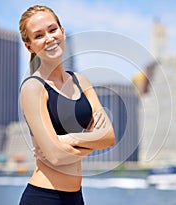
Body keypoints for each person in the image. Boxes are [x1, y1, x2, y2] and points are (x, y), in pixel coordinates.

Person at [18, 5, 115, 205]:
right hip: (44, 197)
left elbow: (109, 137)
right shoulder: (33, 88)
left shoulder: (81, 81)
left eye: (52, 30)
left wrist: (68, 139)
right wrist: (91, 141)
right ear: (29, 46)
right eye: (38, 35)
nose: (49, 38)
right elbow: (55, 156)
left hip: (76, 197)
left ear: (62, 32)